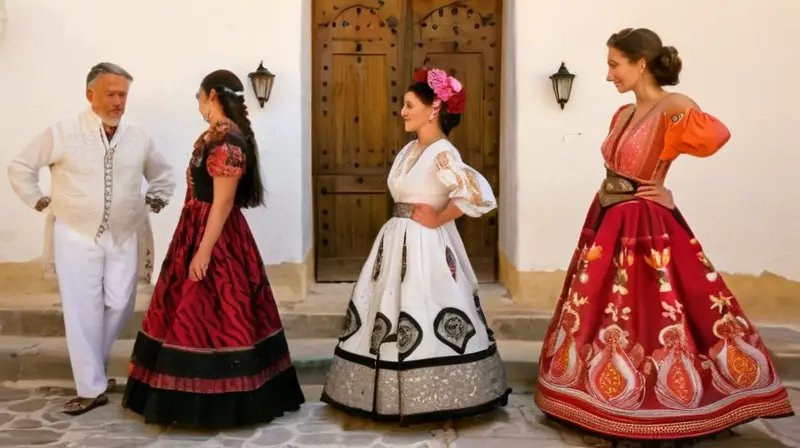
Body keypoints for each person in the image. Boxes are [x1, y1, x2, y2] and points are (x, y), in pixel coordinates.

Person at [533, 28, 794, 443]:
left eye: (614, 64)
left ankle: (661, 403)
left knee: (648, 308)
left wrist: (664, 189)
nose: (608, 75)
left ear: (641, 63)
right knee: (602, 304)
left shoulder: (674, 107)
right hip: (606, 216)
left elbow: (714, 136)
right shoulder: (621, 114)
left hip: (643, 220)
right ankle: (595, 400)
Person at [321, 68, 510, 425]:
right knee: (391, 308)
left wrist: (439, 217)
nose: (403, 112)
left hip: (425, 245)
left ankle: (436, 394)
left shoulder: (442, 152)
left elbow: (478, 193)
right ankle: (388, 393)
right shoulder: (411, 149)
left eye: (410, 105)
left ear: (434, 108)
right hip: (396, 240)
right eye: (403, 105)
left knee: (426, 306)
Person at [122, 69, 305, 428]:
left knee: (212, 313)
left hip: (215, 237)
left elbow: (222, 203)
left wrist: (203, 251)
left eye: (199, 97)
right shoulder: (218, 136)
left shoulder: (226, 142)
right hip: (196, 230)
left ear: (212, 97)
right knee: (189, 312)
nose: (198, 104)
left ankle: (214, 401)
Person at [7, 62, 176, 415]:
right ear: (90, 95)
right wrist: (37, 197)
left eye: (123, 95)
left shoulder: (138, 136)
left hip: (124, 231)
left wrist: (156, 196)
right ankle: (90, 387)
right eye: (111, 94)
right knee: (82, 308)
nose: (118, 102)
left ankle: (93, 370)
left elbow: (162, 173)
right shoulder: (63, 132)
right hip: (75, 231)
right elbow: (20, 166)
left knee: (120, 302)